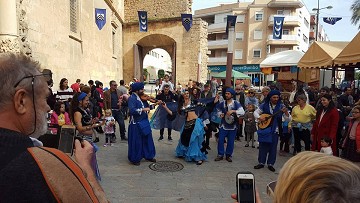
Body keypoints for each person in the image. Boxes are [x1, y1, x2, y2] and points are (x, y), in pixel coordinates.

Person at [0, 53, 107, 202]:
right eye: (44, 98)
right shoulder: (48, 164)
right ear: (21, 101)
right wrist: (87, 170)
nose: (48, 107)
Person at [162, 90, 207, 165]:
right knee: (184, 138)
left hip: (195, 123)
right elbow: (173, 114)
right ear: (182, 95)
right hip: (187, 123)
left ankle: (198, 157)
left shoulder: (193, 102)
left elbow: (204, 106)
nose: (186, 94)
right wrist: (165, 107)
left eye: (187, 93)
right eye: (184, 94)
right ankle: (184, 153)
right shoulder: (181, 105)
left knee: (194, 140)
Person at [254, 90, 290, 172]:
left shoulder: (282, 106)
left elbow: (288, 118)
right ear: (270, 98)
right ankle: (261, 162)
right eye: (274, 97)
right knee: (263, 146)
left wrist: (286, 113)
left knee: (273, 147)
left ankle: (270, 164)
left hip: (275, 130)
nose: (276, 99)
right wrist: (260, 117)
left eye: (277, 97)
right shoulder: (264, 105)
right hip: (265, 129)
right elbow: (255, 112)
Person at [70, 92, 104, 180]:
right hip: (84, 139)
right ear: (80, 101)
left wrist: (93, 121)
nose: (88, 102)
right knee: (86, 162)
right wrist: (91, 126)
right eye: (86, 100)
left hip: (89, 139)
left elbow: (86, 122)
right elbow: (80, 128)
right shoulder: (77, 113)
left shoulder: (85, 110)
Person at [127, 82, 157, 165]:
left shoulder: (140, 98)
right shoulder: (132, 98)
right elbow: (132, 110)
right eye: (141, 89)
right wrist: (143, 110)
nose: (143, 90)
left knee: (147, 139)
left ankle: (149, 155)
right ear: (136, 90)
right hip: (136, 124)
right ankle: (135, 158)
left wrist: (156, 104)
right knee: (137, 142)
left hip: (144, 122)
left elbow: (147, 107)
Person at [215, 88, 245, 162]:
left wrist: (233, 111)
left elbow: (242, 111)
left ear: (232, 95)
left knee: (231, 141)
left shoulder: (235, 103)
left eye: (228, 94)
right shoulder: (222, 103)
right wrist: (220, 114)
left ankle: (228, 155)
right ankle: (220, 154)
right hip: (223, 125)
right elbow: (217, 110)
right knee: (221, 140)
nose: (226, 95)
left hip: (233, 125)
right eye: (226, 93)